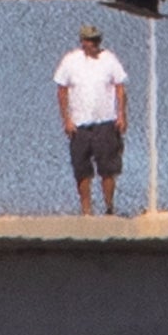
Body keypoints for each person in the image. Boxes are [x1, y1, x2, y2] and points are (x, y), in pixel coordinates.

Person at [50, 21, 130, 216]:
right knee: (82, 168)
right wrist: (66, 119)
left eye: (96, 40)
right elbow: (61, 90)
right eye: (90, 40)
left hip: (106, 122)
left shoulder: (109, 59)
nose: (93, 44)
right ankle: (86, 210)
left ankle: (109, 207)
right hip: (79, 124)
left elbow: (120, 87)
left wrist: (121, 115)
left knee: (108, 168)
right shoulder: (71, 61)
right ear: (83, 41)